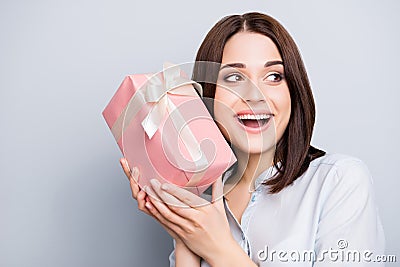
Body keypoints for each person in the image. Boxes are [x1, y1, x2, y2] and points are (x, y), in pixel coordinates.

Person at [120, 12, 385, 266]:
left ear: (294, 90)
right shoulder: (204, 198)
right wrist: (182, 230)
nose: (255, 95)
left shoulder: (338, 181)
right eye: (234, 78)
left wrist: (218, 247)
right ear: (208, 98)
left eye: (274, 76)